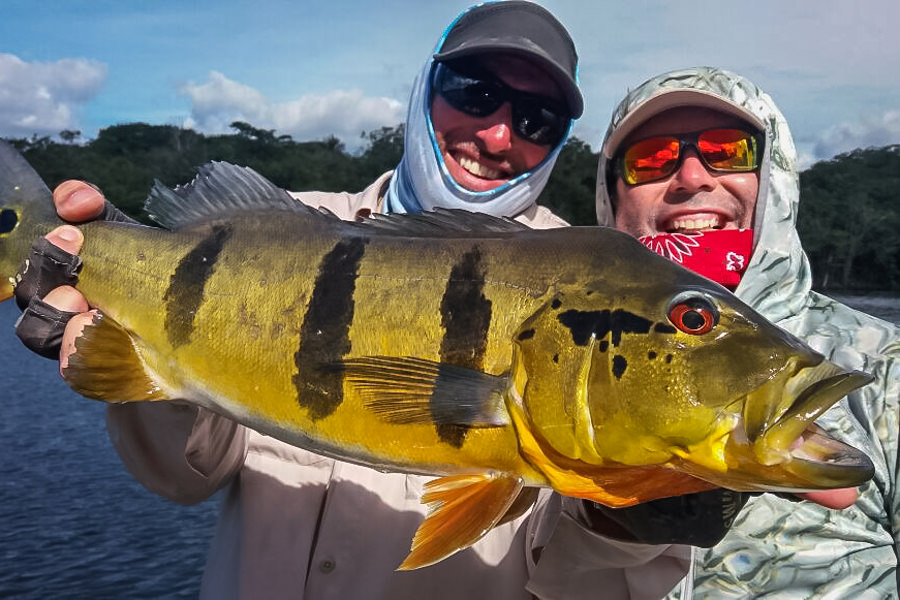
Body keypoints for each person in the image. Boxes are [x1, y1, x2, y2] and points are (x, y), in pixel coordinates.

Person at [12, 4, 699, 599]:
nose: (498, 134)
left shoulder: (604, 298)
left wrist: (644, 512)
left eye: (537, 117)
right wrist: (124, 357)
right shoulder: (294, 224)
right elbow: (185, 478)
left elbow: (593, 585)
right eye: (475, 91)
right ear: (425, 89)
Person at [594, 66, 899, 597]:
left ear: (776, 178)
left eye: (728, 150)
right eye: (653, 159)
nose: (691, 177)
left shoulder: (886, 365)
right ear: (612, 196)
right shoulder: (555, 348)